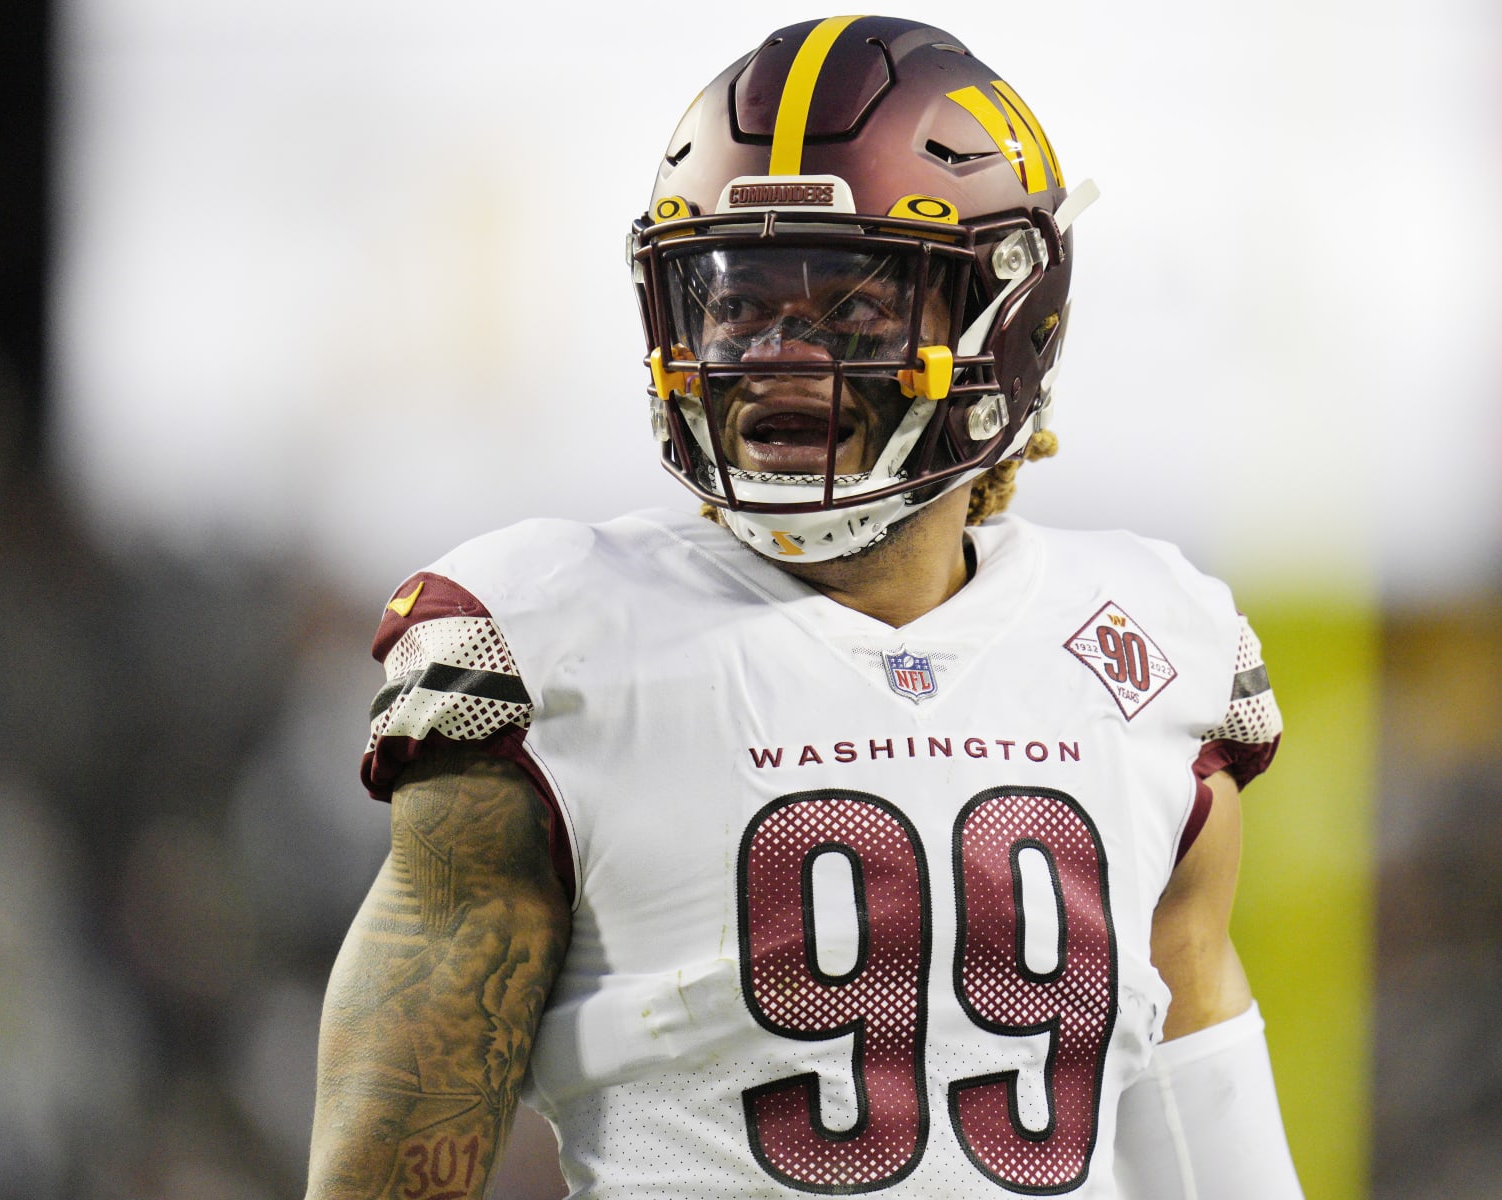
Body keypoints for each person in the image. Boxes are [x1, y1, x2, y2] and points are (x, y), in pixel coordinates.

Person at [305, 15, 1304, 1199]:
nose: (777, 359)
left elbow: (1207, 1143)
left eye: (853, 311)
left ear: (1009, 318)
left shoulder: (1145, 654)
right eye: (736, 305)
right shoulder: (551, 648)